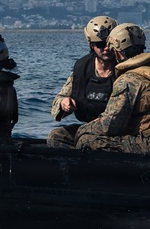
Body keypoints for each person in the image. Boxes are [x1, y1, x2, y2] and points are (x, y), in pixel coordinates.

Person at [73, 23, 150, 155]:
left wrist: (83, 129)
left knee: (85, 139)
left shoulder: (129, 79)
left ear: (117, 53)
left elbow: (110, 125)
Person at [45, 16, 117, 148]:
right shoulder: (82, 69)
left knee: (86, 140)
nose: (106, 48)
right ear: (92, 45)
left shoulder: (125, 69)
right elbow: (59, 98)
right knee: (56, 136)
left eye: (110, 44)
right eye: (101, 44)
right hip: (89, 129)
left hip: (118, 131)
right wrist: (64, 103)